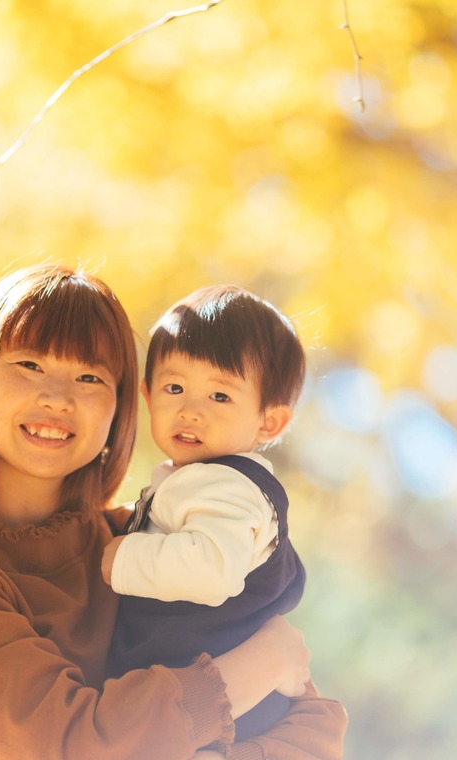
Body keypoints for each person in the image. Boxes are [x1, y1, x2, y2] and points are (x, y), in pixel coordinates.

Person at [0, 264, 346, 759]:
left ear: (122, 404)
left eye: (89, 377)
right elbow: (69, 744)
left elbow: (313, 729)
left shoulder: (155, 542)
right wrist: (260, 665)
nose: (57, 399)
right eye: (30, 365)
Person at [102, 285, 311, 742]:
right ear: (148, 393)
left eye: (219, 396)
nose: (190, 410)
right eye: (174, 388)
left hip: (219, 706)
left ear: (268, 422)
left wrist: (119, 558)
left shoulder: (223, 484)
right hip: (211, 708)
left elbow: (211, 570)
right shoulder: (206, 482)